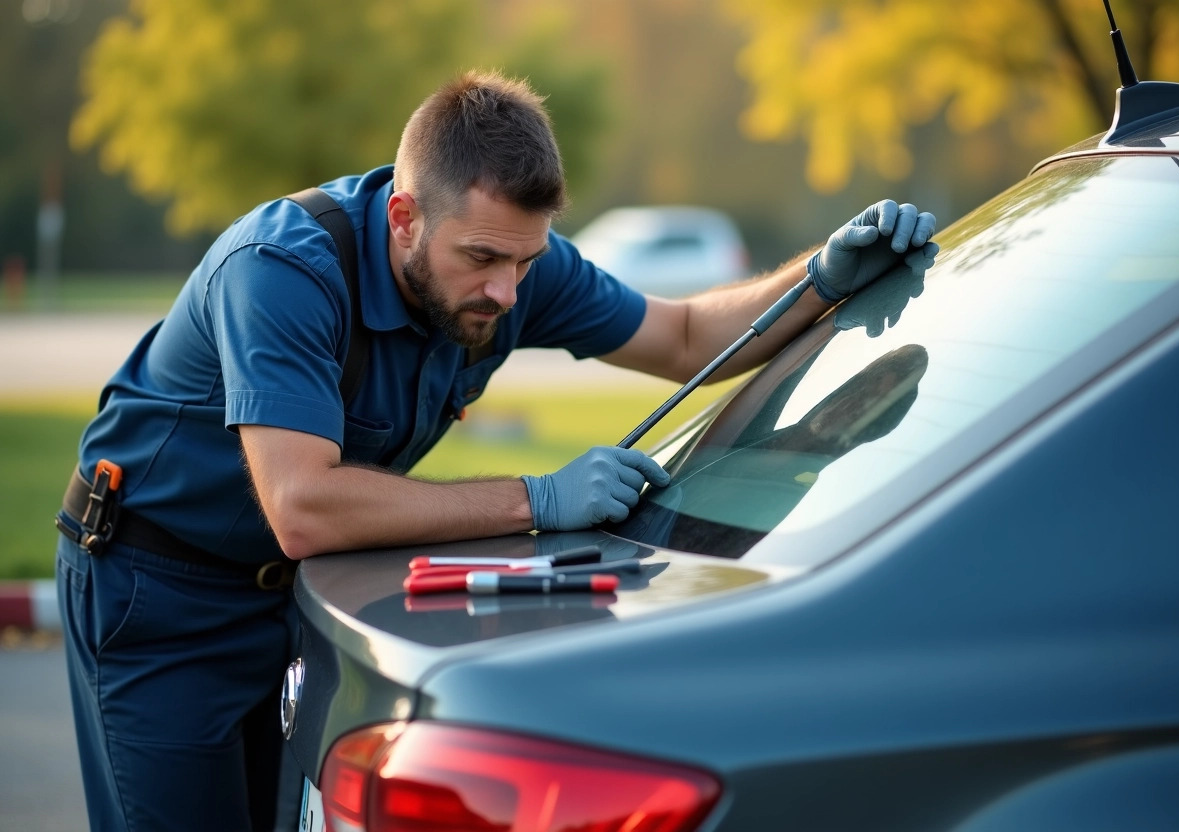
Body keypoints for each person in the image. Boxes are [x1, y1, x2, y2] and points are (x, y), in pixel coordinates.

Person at [54, 69, 938, 831]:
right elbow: (303, 505)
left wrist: (818, 277)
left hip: (288, 600)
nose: (505, 292)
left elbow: (681, 337)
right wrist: (538, 498)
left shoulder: (513, 262)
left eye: (524, 261)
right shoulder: (282, 271)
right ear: (404, 216)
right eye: (481, 258)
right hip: (155, 594)